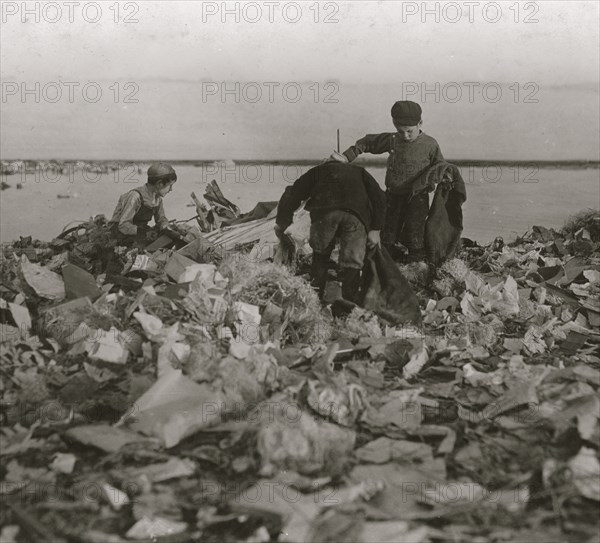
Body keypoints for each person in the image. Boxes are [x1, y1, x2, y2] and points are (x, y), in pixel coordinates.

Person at [333, 101, 445, 262]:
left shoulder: (430, 144)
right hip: (393, 196)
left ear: (420, 123)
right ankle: (387, 261)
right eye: (401, 131)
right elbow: (367, 142)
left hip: (418, 198)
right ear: (394, 125)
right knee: (388, 231)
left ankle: (416, 264)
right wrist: (346, 156)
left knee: (415, 231)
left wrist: (443, 176)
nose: (405, 136)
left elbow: (440, 165)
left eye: (409, 131)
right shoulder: (392, 140)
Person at [275, 160, 386, 302]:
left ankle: (315, 298)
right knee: (352, 261)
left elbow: (292, 192)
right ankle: (348, 304)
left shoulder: (318, 170)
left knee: (321, 254)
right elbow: (380, 197)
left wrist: (283, 223)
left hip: (325, 213)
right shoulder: (360, 171)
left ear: (327, 162)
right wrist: (375, 229)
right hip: (355, 215)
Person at [108, 162, 179, 245]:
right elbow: (123, 225)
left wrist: (166, 227)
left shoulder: (157, 199)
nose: (171, 189)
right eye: (170, 186)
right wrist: (144, 233)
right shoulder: (135, 196)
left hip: (138, 230)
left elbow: (161, 219)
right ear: (159, 184)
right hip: (120, 232)